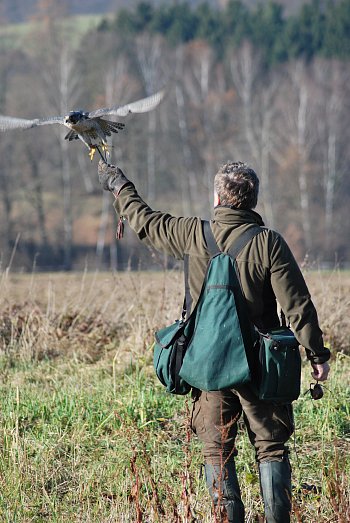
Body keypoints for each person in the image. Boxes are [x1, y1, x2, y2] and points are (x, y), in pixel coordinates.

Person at [98, 160, 330, 523]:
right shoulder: (269, 243)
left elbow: (143, 219)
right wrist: (317, 354)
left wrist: (117, 182)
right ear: (252, 200)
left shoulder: (192, 233)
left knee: (216, 451)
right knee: (271, 448)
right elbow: (297, 305)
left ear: (218, 197)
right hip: (261, 369)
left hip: (207, 367)